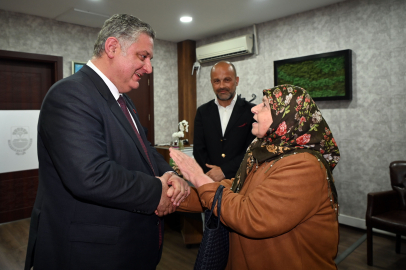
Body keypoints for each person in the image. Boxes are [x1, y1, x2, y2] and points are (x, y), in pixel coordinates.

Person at [24, 14, 189, 270]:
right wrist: (158, 192)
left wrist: (169, 173)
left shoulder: (124, 100)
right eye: (142, 56)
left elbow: (143, 149)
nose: (149, 68)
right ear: (112, 47)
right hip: (88, 255)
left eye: (150, 59)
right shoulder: (70, 95)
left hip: (128, 249)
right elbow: (91, 175)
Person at [171, 85, 340, 270]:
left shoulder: (304, 166)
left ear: (287, 118)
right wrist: (173, 194)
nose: (254, 108)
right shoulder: (267, 153)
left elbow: (252, 217)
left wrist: (198, 178)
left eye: (265, 105)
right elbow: (233, 189)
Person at [193, 61, 255, 182]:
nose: (222, 86)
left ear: (236, 80)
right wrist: (211, 174)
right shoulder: (202, 112)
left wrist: (224, 171)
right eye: (217, 81)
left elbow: (252, 150)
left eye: (227, 80)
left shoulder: (252, 111)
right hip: (210, 181)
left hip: (242, 180)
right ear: (211, 83)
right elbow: (199, 150)